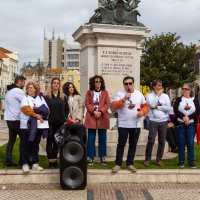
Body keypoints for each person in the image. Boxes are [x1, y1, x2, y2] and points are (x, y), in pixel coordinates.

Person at [112, 76, 149, 173]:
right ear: (124, 84)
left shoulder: (139, 94)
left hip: (135, 125)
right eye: (126, 84)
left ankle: (129, 164)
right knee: (121, 144)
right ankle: (118, 164)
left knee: (133, 145)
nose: (128, 85)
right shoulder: (119, 94)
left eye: (130, 83)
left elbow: (145, 106)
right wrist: (124, 98)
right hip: (123, 124)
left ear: (133, 84)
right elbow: (115, 106)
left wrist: (142, 112)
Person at [20, 81, 49, 173]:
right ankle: (25, 163)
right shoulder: (25, 98)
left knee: (35, 144)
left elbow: (47, 110)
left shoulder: (40, 98)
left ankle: (35, 163)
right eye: (27, 87)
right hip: (26, 126)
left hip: (38, 125)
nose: (28, 89)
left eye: (30, 87)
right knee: (26, 144)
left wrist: (41, 114)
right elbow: (25, 109)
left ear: (35, 89)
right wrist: (37, 115)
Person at [144, 79, 171, 167]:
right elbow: (151, 105)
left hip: (163, 121)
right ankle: (147, 159)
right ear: (154, 86)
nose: (161, 87)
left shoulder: (166, 96)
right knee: (151, 141)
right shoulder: (149, 95)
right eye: (159, 85)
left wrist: (158, 107)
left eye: (161, 85)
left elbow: (168, 108)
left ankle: (159, 159)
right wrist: (158, 95)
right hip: (153, 121)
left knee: (162, 141)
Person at [85, 75, 110, 165]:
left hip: (102, 116)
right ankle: (91, 157)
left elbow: (107, 104)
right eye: (96, 81)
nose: (98, 83)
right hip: (92, 116)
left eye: (99, 81)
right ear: (93, 83)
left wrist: (100, 111)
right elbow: (87, 104)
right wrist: (94, 111)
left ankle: (102, 156)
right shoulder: (89, 92)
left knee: (103, 138)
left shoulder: (105, 92)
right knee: (91, 138)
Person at [45, 78, 69, 169]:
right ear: (51, 85)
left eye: (57, 83)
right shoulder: (47, 97)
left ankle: (54, 160)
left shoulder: (63, 97)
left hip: (60, 124)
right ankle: (50, 162)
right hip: (50, 123)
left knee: (57, 142)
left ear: (59, 85)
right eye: (54, 83)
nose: (56, 84)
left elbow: (66, 109)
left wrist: (65, 117)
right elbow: (45, 109)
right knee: (49, 142)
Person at [173, 83, 199, 168]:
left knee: (190, 143)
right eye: (183, 89)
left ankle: (191, 161)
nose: (184, 90)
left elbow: (197, 111)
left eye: (186, 89)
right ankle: (181, 161)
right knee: (181, 143)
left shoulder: (194, 100)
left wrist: (189, 118)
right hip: (181, 124)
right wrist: (184, 117)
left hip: (191, 124)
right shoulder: (178, 99)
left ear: (189, 90)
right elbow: (175, 110)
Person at [4, 75, 26, 167]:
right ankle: (22, 161)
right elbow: (26, 102)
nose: (24, 84)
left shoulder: (9, 91)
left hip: (9, 119)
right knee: (24, 139)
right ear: (19, 82)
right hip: (16, 119)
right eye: (23, 82)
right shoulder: (18, 91)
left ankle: (8, 161)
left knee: (12, 140)